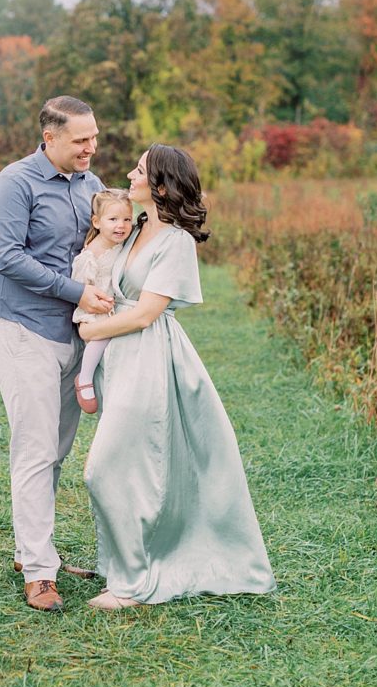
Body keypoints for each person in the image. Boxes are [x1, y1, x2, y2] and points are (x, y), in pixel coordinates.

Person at [79, 144, 277, 609]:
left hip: (148, 357)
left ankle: (132, 584)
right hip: (118, 358)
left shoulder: (176, 242)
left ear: (162, 185)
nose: (130, 174)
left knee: (105, 467)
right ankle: (121, 564)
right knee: (131, 466)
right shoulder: (138, 226)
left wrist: (92, 328)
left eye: (140, 171)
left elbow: (147, 313)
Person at [0, 95, 113, 613]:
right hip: (22, 328)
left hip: (74, 337)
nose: (91, 148)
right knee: (36, 450)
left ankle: (30, 549)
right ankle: (39, 572)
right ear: (50, 138)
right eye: (81, 140)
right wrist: (77, 292)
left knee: (55, 450)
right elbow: (7, 257)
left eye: (94, 137)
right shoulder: (15, 183)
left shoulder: (94, 185)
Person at [71, 189, 134, 413]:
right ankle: (84, 378)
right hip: (95, 308)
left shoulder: (123, 244)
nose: (121, 225)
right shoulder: (90, 255)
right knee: (101, 337)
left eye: (127, 219)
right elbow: (82, 288)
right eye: (113, 219)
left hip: (114, 306)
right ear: (96, 222)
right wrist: (96, 304)